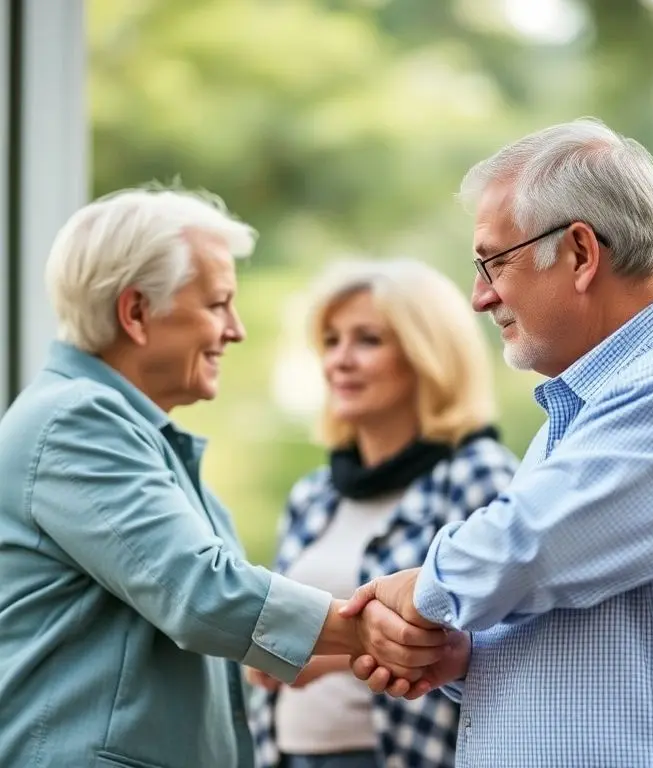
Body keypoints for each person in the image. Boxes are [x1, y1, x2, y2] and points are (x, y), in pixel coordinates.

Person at [344, 118, 653, 767]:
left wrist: (421, 589)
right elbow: (583, 606)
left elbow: (530, 550)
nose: (480, 296)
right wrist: (467, 653)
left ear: (580, 253)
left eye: (494, 262)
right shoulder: (583, 410)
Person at [0, 189, 449, 768]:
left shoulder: (125, 434)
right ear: (135, 313)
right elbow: (200, 591)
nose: (234, 330)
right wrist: (365, 630)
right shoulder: (76, 421)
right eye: (217, 305)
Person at [248, 259, 518, 768]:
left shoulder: (476, 474)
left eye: (367, 340)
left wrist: (329, 654)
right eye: (331, 341)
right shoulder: (314, 495)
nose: (340, 360)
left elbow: (506, 640)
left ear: (426, 355)